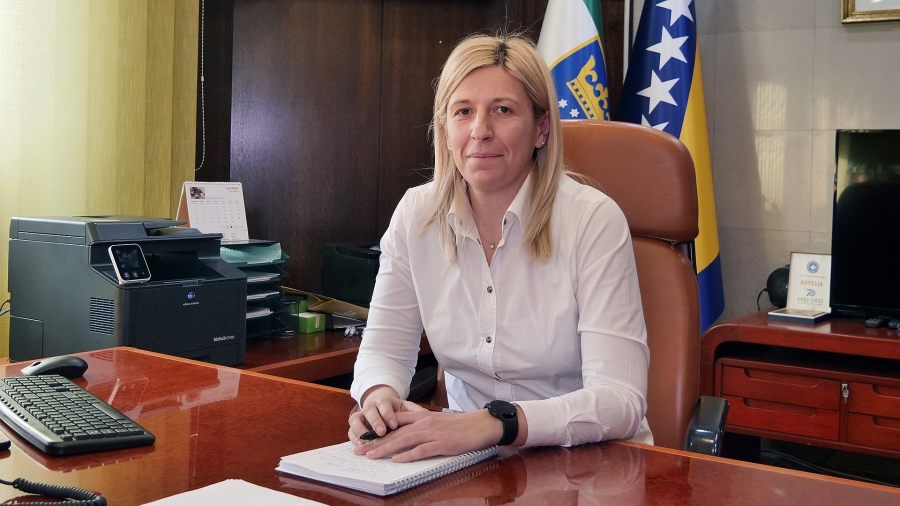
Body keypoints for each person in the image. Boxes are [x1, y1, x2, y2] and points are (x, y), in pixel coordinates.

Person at [348, 32, 651, 463]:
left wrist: (496, 423)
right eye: (463, 111)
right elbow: (383, 349)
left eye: (502, 110)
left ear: (541, 128)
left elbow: (620, 400)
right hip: (468, 461)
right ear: (445, 130)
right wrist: (378, 398)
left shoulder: (592, 220)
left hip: (590, 463)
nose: (480, 131)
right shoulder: (417, 214)